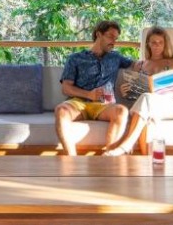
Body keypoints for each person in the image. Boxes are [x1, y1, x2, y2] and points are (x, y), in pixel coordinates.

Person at [104, 26, 173, 156]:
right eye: (153, 42)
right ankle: (142, 159)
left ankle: (126, 146)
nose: (157, 46)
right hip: (145, 107)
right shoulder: (140, 65)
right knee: (146, 104)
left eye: (160, 42)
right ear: (148, 44)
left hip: (167, 106)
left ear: (165, 44)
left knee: (147, 98)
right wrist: (124, 91)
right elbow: (131, 94)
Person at [55, 20, 133, 156]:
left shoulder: (116, 57)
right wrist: (89, 94)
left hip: (104, 105)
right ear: (98, 34)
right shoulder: (75, 58)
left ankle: (109, 157)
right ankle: (71, 159)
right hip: (79, 103)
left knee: (122, 111)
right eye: (110, 36)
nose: (113, 42)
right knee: (61, 110)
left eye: (116, 38)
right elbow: (66, 88)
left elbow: (139, 65)